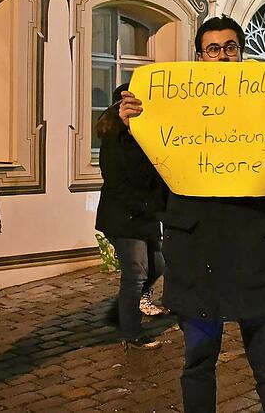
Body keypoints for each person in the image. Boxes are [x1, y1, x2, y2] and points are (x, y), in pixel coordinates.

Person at [119, 16, 265, 413]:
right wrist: (131, 131)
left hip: (254, 251)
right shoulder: (171, 106)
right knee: (198, 364)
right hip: (196, 255)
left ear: (241, 53)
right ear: (200, 57)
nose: (222, 56)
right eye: (213, 49)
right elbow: (142, 183)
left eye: (230, 47)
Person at [95, 83, 168, 350]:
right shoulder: (114, 138)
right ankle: (131, 332)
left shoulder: (147, 135)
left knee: (157, 265)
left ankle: (119, 313)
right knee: (136, 274)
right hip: (124, 216)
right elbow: (122, 178)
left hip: (145, 215)